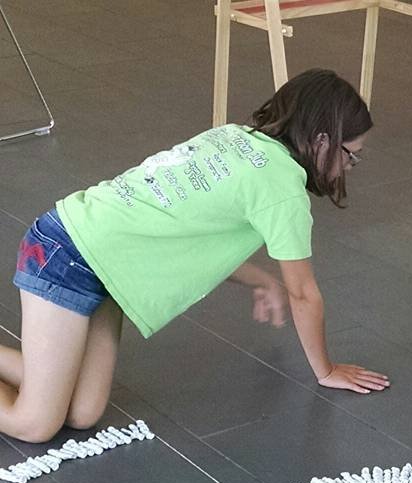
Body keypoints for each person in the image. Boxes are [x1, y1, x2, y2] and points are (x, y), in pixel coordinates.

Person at [2, 68, 389, 444]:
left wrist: (259, 279)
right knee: (34, 424)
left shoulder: (235, 138)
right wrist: (326, 370)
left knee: (81, 412)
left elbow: (190, 233)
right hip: (65, 255)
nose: (349, 168)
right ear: (322, 140)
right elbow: (304, 294)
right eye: (351, 156)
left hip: (105, 268)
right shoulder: (283, 190)